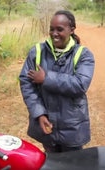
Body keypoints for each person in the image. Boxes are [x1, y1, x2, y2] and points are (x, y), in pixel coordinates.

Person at [19, 10, 95, 153]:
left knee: (73, 163)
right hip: (46, 127)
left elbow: (79, 84)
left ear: (72, 30)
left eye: (60, 29)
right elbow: (26, 83)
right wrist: (39, 114)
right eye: (51, 29)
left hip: (72, 128)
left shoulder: (83, 54)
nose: (54, 34)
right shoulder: (37, 52)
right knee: (51, 162)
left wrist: (46, 78)